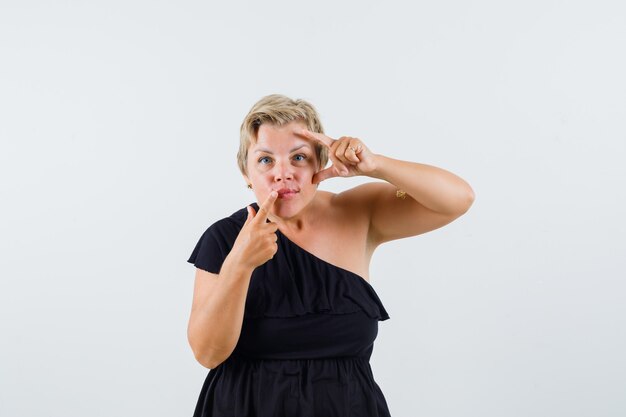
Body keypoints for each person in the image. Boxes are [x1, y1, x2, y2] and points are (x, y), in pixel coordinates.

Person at [186, 94, 475, 417]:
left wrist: (376, 164)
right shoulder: (224, 238)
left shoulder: (356, 214)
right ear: (245, 171)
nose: (282, 173)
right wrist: (240, 265)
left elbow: (458, 198)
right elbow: (207, 353)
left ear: (319, 164)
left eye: (298, 158)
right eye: (266, 160)